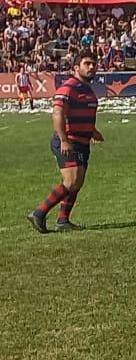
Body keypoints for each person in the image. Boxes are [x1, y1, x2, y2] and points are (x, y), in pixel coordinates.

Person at [28, 51, 103, 233]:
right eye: (87, 63)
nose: (91, 67)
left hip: (82, 142)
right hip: (69, 141)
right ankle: (39, 213)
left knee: (77, 183)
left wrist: (93, 131)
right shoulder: (69, 87)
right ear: (76, 68)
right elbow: (58, 114)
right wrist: (63, 140)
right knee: (71, 182)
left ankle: (63, 220)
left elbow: (84, 113)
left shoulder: (87, 89)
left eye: (94, 64)